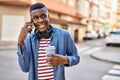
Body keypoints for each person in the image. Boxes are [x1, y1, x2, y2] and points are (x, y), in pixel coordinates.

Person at [17, 2, 80, 80]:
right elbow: (25, 68)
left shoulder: (64, 35)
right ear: (31, 21)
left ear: (48, 17)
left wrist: (64, 60)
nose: (40, 20)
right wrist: (20, 41)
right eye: (35, 18)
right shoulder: (29, 39)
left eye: (43, 16)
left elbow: (76, 58)